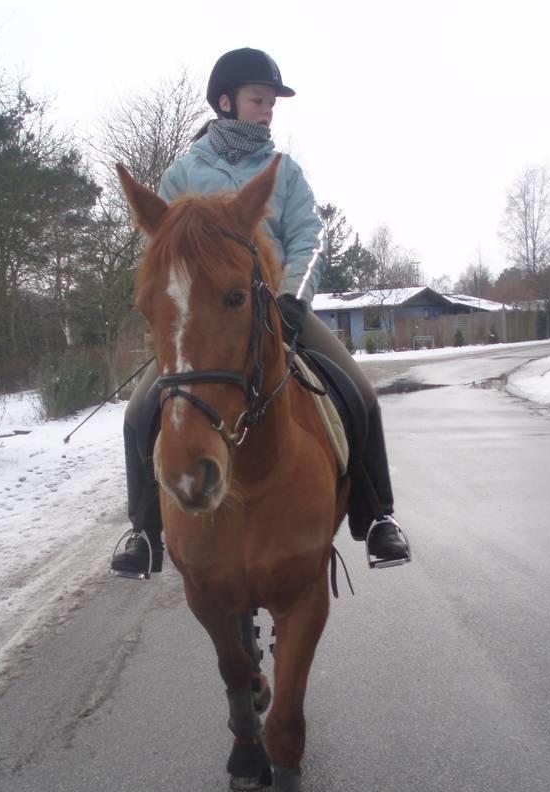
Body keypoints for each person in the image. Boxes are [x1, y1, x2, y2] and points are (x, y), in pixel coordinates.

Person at [111, 47, 410, 578]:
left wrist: (291, 296)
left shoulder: (284, 171)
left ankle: (378, 517)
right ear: (226, 102)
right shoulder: (182, 174)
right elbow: (163, 252)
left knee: (360, 396)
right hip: (209, 327)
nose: (268, 110)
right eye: (258, 99)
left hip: (281, 312)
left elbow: (309, 239)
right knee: (139, 414)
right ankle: (144, 532)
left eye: (272, 102)